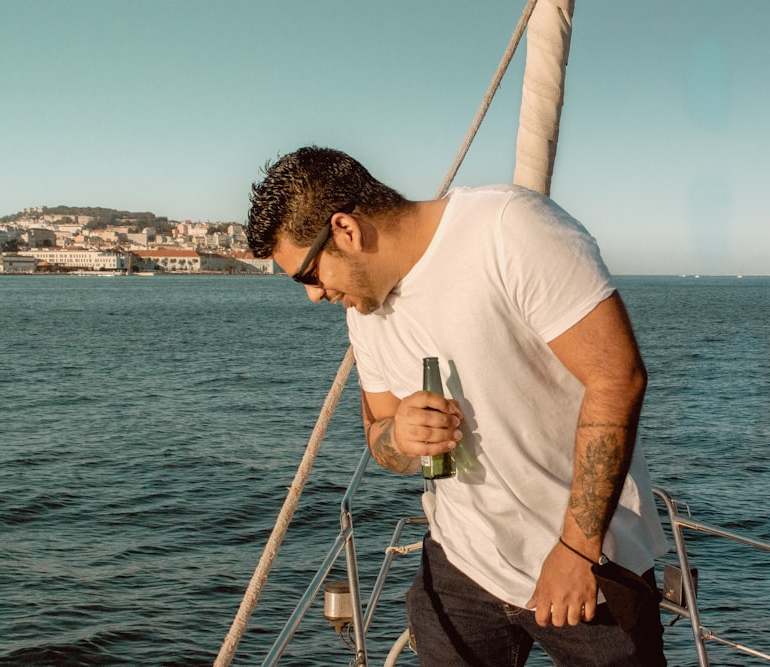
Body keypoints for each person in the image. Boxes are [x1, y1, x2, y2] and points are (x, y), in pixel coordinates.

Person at [246, 146, 669, 665]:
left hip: (587, 565)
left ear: (346, 230)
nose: (313, 296)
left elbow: (616, 375)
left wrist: (577, 550)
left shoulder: (507, 228)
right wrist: (398, 437)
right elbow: (378, 432)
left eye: (307, 276)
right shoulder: (365, 311)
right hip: (460, 567)